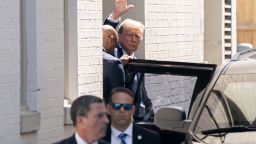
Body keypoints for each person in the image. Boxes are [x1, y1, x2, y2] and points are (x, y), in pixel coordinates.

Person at [104, 0, 154, 121]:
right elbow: (104, 34)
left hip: (134, 120)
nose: (133, 40)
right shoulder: (112, 53)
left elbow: (142, 95)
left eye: (137, 36)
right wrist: (116, 15)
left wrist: (152, 117)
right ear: (119, 36)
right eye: (130, 35)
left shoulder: (137, 63)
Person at [102, 25, 125, 103]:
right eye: (115, 45)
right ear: (110, 39)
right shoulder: (114, 63)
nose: (113, 50)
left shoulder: (78, 58)